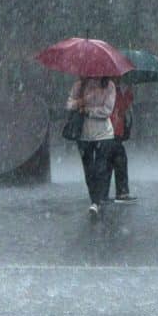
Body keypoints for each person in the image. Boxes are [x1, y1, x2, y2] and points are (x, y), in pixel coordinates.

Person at [67, 75, 116, 218]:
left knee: (100, 168)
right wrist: (79, 103)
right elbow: (69, 104)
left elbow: (107, 110)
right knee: (88, 170)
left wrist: (88, 110)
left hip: (104, 134)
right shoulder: (79, 85)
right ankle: (94, 199)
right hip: (83, 134)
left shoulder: (109, 86)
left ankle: (96, 202)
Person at [106, 78, 136, 202]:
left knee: (107, 164)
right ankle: (122, 191)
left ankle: (102, 193)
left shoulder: (107, 89)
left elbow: (122, 107)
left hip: (107, 133)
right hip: (112, 132)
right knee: (119, 161)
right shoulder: (113, 91)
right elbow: (122, 107)